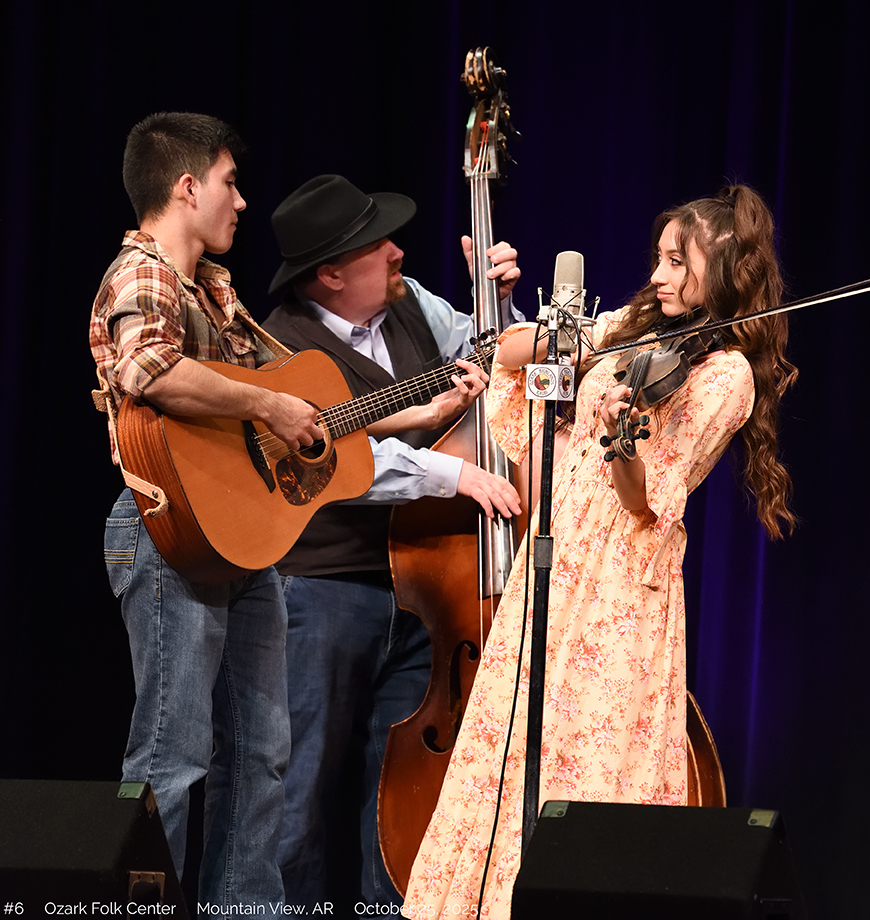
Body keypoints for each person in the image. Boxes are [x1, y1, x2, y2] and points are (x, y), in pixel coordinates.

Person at [404, 184, 798, 919]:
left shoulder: (727, 376)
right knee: (514, 742)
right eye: (659, 258)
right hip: (559, 552)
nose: (659, 276)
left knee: (589, 754)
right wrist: (563, 334)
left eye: (678, 263)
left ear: (723, 270)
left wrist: (622, 440)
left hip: (621, 579)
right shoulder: (632, 327)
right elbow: (509, 355)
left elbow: (646, 499)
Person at [260, 174, 524, 907]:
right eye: (378, 245)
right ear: (331, 273)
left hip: (421, 596)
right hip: (323, 592)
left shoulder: (410, 303)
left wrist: (498, 305)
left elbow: (491, 357)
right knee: (299, 794)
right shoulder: (281, 348)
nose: (398, 251)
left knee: (404, 790)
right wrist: (453, 474)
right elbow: (336, 461)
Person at [90, 112, 325, 907]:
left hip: (235, 533)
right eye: (231, 183)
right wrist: (268, 405)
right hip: (168, 532)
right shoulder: (144, 273)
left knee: (261, 754)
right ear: (188, 188)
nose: (242, 201)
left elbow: (286, 399)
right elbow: (149, 369)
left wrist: (418, 407)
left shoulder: (214, 291)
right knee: (172, 754)